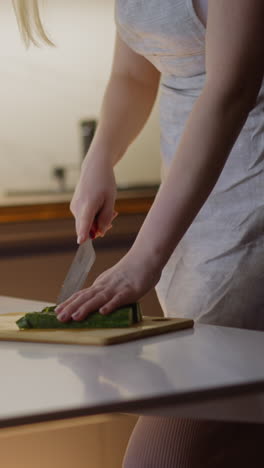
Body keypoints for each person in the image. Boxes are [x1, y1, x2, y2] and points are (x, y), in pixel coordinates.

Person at [14, 0, 264, 466]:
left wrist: (143, 257)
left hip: (252, 200)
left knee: (160, 452)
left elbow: (232, 88)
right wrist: (100, 158)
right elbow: (134, 74)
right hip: (188, 215)